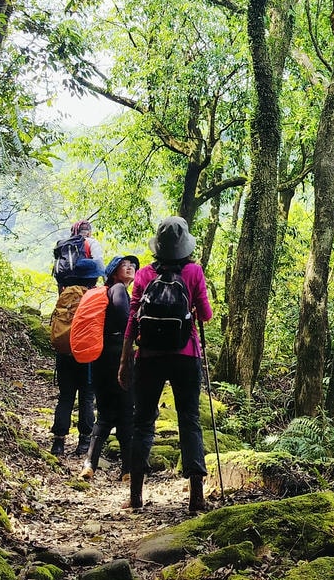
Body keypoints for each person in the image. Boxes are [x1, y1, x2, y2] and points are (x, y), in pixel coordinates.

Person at [119, 215, 213, 512]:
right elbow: (206, 315)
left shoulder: (145, 274)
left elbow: (133, 318)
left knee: (143, 422)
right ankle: (196, 496)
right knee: (190, 420)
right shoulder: (195, 272)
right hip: (187, 356)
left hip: (148, 357)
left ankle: (135, 495)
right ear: (184, 246)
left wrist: (124, 360)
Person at [79, 252, 139, 481]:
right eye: (125, 265)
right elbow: (126, 321)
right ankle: (127, 469)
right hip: (118, 356)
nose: (131, 267)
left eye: (132, 265)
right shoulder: (119, 291)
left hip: (101, 357)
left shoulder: (105, 292)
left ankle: (90, 463)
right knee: (125, 412)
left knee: (104, 414)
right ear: (114, 272)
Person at [50, 218, 103, 457]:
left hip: (64, 351)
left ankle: (59, 441)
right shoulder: (95, 296)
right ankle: (84, 441)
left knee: (66, 394)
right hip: (87, 354)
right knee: (87, 395)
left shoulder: (66, 293)